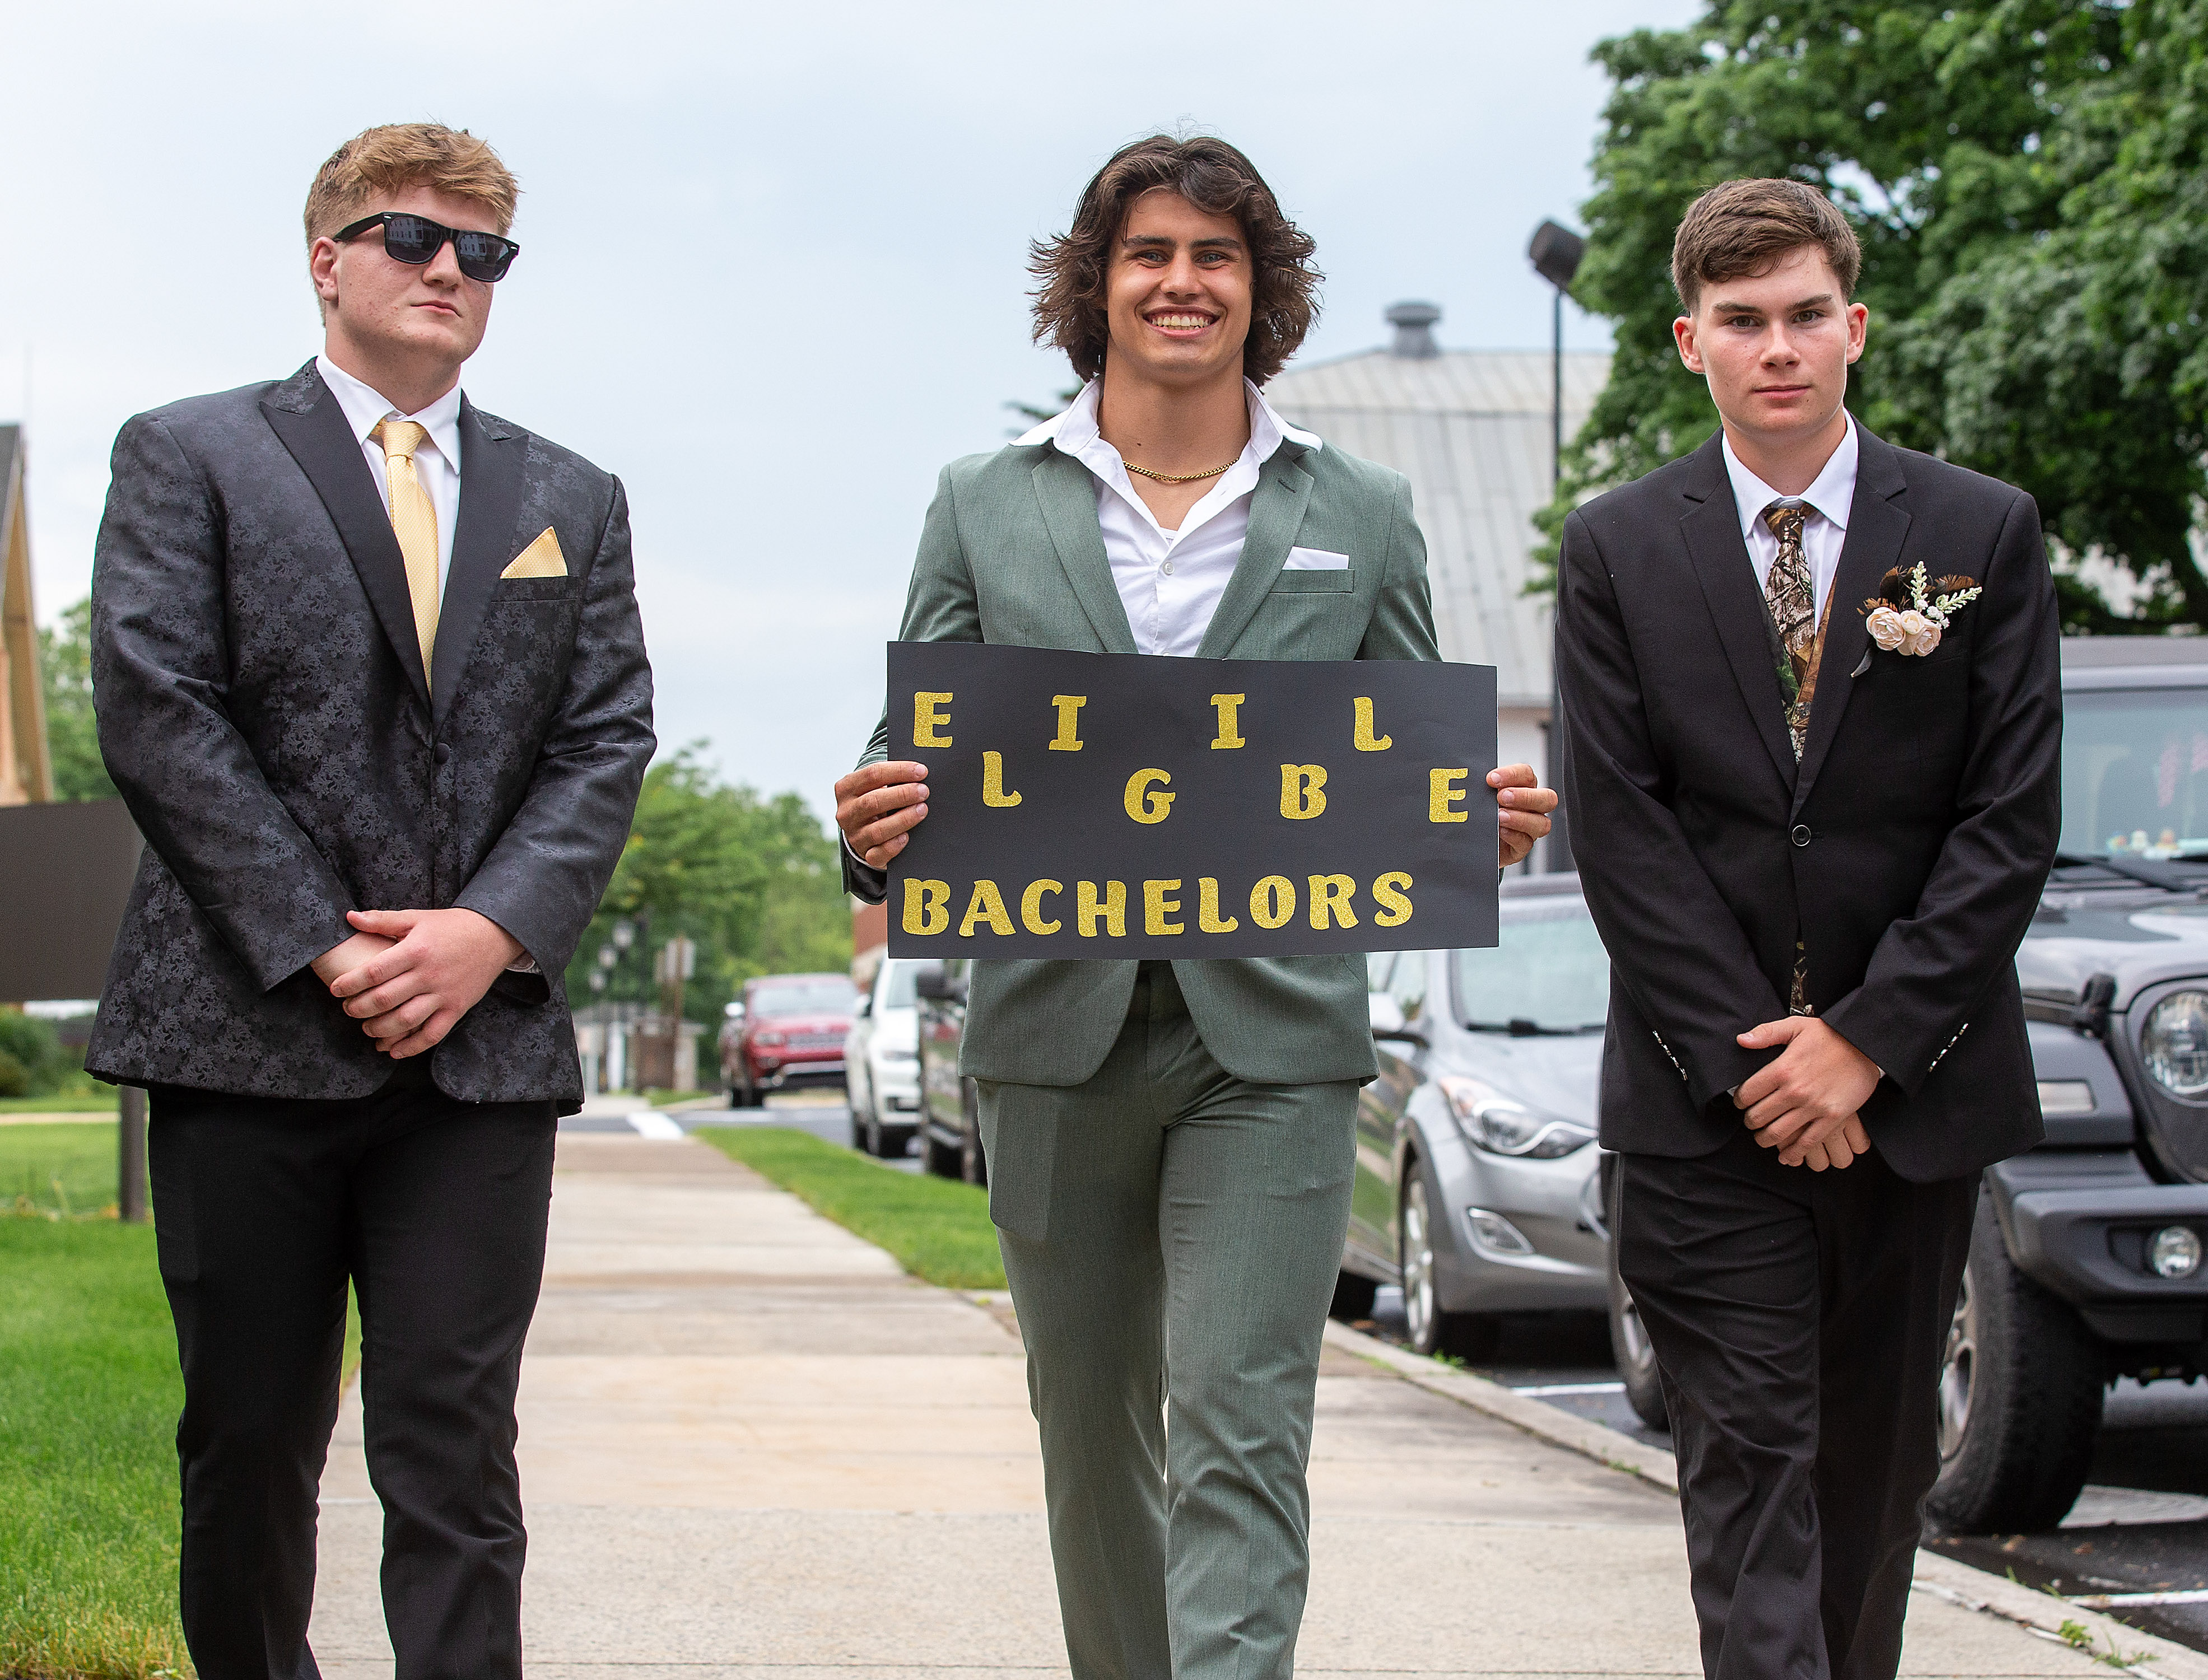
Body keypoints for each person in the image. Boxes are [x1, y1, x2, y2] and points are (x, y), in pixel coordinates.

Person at [833, 134, 1555, 1680]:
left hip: (1274, 1042)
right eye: (1149, 253)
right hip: (1053, 1031)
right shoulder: (983, 501)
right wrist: (876, 822)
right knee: (1092, 1429)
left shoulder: (1359, 506)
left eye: (1214, 256)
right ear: (1096, 284)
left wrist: (1471, 828)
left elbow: (1411, 759)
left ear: (1259, 287)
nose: (1181, 281)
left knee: (1243, 1422)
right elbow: (916, 757)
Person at [86, 123, 655, 1680]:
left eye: (485, 253)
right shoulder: (189, 452)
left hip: (477, 1058)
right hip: (247, 1032)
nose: (451, 274)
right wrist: (325, 941)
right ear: (326, 258)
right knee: (252, 1443)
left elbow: (608, 738)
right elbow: (156, 707)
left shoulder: (572, 496)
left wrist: (492, 931)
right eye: (416, 240)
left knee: (457, 1454)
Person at [1555, 178, 2061, 1680]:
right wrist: (1772, 1068)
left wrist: (1867, 1045)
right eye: (1738, 322)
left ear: (1853, 326)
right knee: (1753, 1474)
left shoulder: (1979, 532)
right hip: (1704, 1113)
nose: (1774, 347)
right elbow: (1625, 830)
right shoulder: (1618, 547)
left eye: (1799, 317)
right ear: (1687, 342)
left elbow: (2004, 821)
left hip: (1916, 1101)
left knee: (1871, 1485)